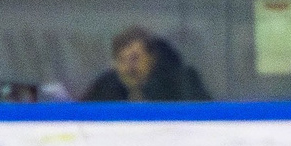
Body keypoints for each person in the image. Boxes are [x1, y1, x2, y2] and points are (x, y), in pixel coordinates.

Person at [82, 26, 211, 101]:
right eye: (121, 60)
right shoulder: (105, 88)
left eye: (134, 58)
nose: (128, 67)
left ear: (152, 59)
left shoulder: (180, 83)